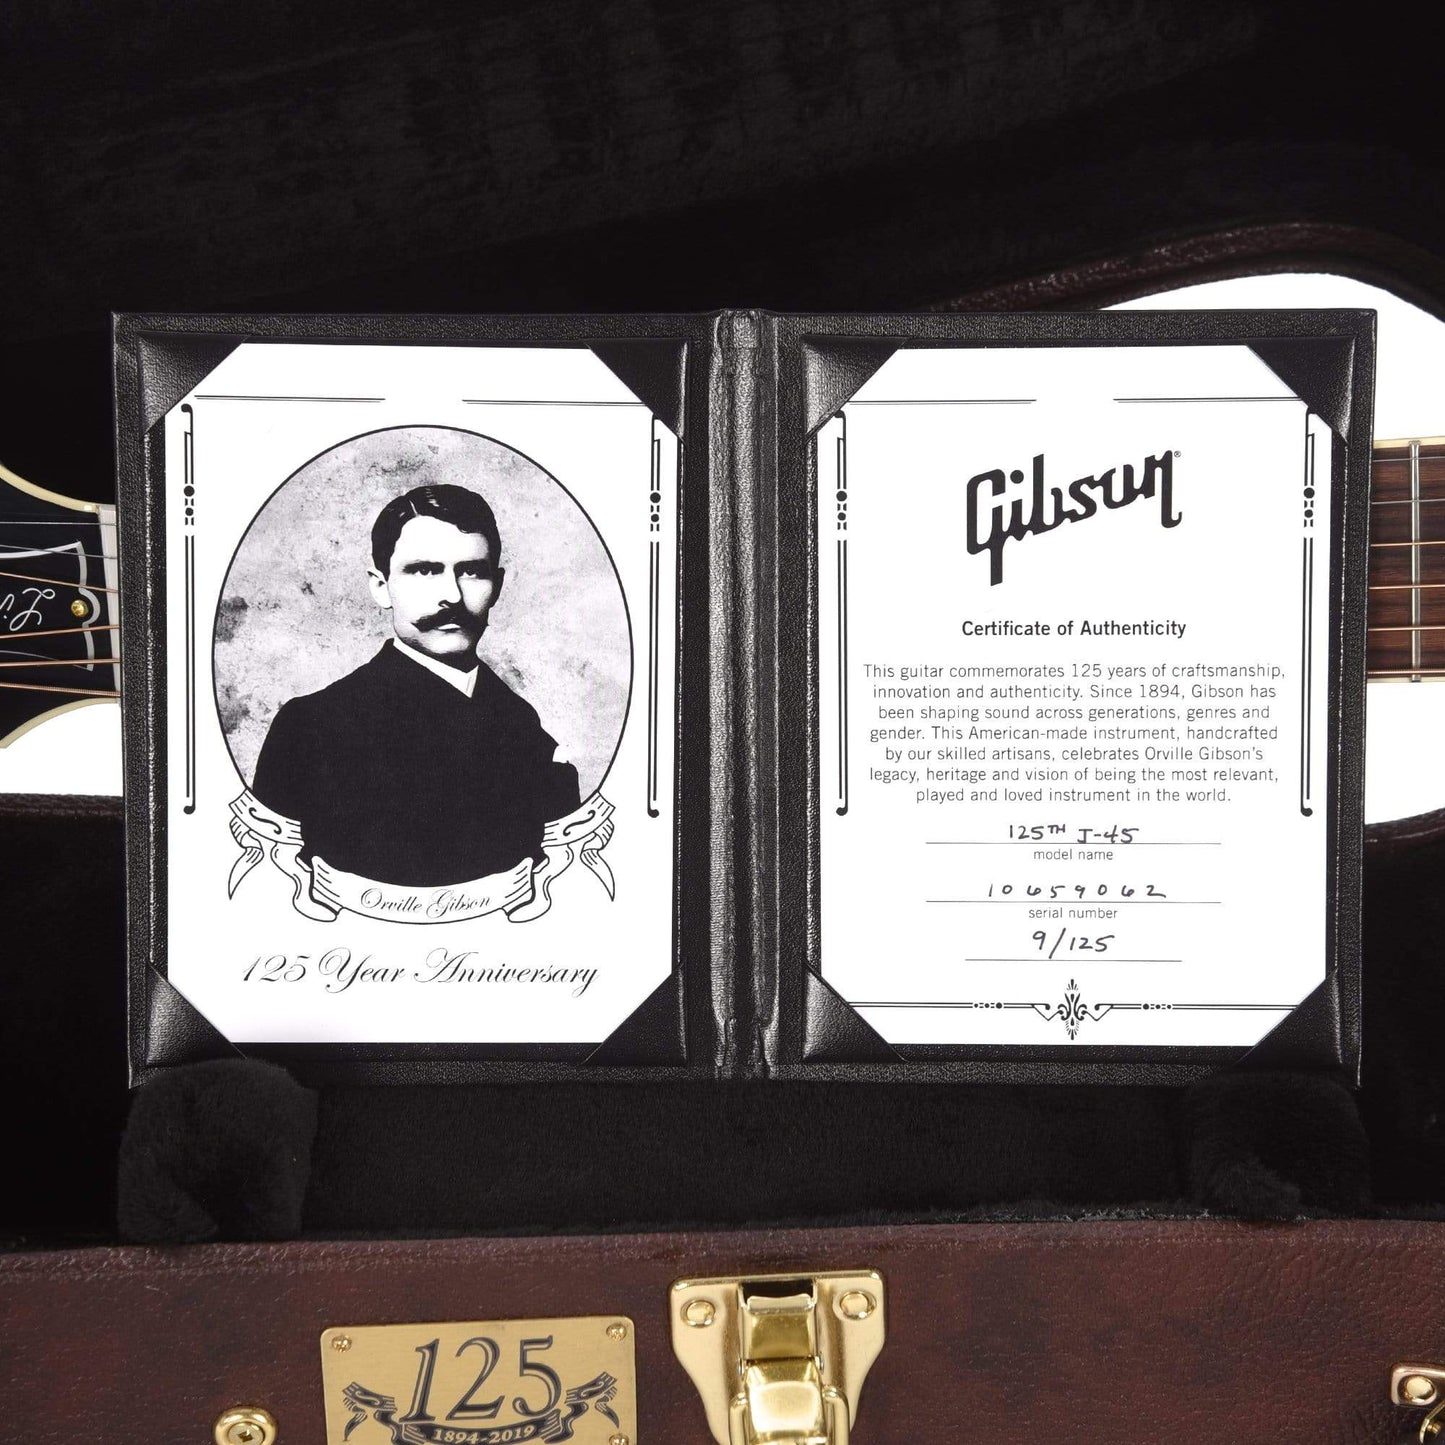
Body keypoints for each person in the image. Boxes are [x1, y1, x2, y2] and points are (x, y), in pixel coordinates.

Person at [251, 484, 581, 888]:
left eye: (471, 571)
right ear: (381, 586)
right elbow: (273, 890)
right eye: (424, 570)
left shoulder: (522, 725)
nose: (452, 596)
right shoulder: (311, 727)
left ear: (496, 585)